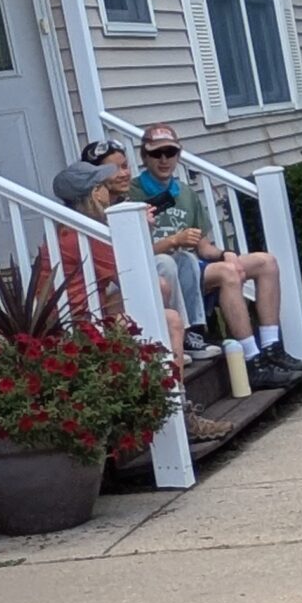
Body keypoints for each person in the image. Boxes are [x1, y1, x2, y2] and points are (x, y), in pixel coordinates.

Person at [41, 161, 232, 441]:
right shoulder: (85, 235)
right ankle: (178, 413)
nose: (108, 191)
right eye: (103, 186)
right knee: (171, 320)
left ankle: (158, 372)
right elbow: (136, 278)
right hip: (78, 326)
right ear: (94, 194)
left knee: (161, 289)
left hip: (80, 312)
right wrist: (141, 230)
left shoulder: (69, 228)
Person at [131, 125, 302, 387]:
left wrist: (226, 253)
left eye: (171, 152)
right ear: (144, 157)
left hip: (191, 268)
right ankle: (252, 361)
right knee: (227, 273)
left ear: (179, 154)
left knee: (265, 262)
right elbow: (131, 252)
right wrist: (173, 241)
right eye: (157, 154)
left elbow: (204, 247)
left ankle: (272, 348)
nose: (164, 159)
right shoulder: (132, 194)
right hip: (163, 271)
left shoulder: (185, 193)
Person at [80, 139, 217, 360]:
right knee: (164, 263)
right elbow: (121, 263)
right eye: (114, 169)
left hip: (126, 274)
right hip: (105, 287)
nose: (124, 173)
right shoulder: (91, 214)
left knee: (184, 259)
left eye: (125, 166)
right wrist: (170, 240)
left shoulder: (126, 202)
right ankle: (168, 336)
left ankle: (190, 333)